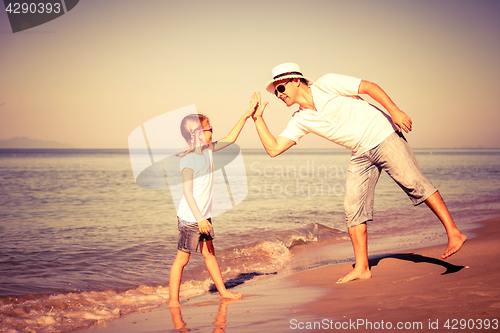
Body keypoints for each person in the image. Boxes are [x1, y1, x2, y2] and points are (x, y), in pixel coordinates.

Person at [250, 62, 467, 283]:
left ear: (296, 80)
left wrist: (395, 111)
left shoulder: (327, 84)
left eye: (280, 88)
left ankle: (454, 233)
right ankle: (362, 267)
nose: (278, 95)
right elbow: (274, 148)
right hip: (360, 153)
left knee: (414, 182)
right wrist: (258, 119)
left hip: (383, 135)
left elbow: (369, 87)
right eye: (275, 91)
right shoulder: (300, 119)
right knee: (352, 207)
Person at [168, 104, 255, 307]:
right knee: (182, 259)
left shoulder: (209, 150)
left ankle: (223, 291)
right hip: (191, 217)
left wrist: (245, 115)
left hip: (202, 215)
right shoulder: (189, 160)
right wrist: (199, 219)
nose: (212, 131)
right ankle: (173, 301)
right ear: (196, 134)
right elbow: (187, 193)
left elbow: (231, 138)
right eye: (208, 129)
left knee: (209, 253)